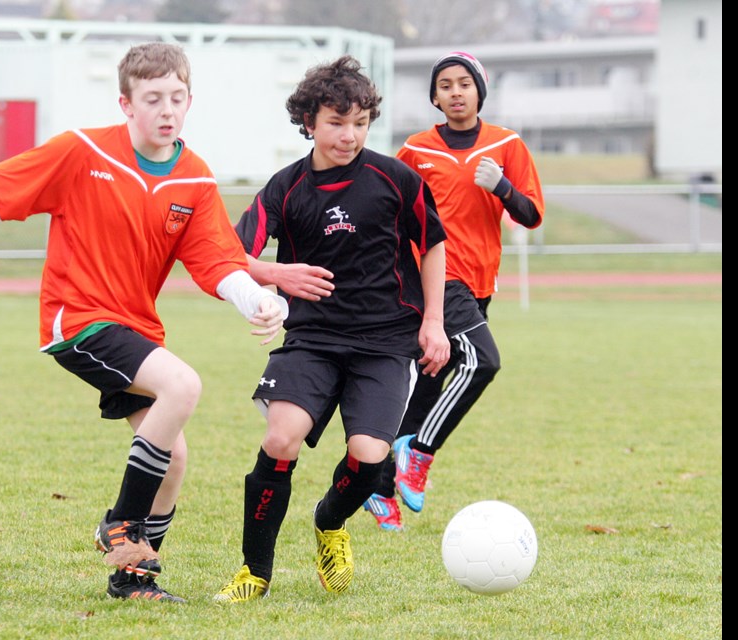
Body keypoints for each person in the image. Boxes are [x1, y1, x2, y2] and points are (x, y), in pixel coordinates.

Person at [0, 42, 288, 603]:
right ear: (126, 104)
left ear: (189, 100)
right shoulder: (81, 152)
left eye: (177, 98)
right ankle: (120, 523)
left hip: (134, 331)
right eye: (152, 98)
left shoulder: (195, 178)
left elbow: (216, 262)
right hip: (77, 319)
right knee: (184, 384)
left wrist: (257, 302)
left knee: (174, 459)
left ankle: (132, 580)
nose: (166, 109)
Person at [212, 55, 449, 603]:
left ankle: (329, 522)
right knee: (280, 437)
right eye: (337, 122)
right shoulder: (287, 187)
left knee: (370, 455)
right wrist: (272, 278)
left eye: (361, 122)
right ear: (310, 122)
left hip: (386, 344)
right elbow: (228, 252)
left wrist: (433, 321)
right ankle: (255, 573)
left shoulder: (395, 178)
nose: (349, 135)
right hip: (312, 340)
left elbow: (433, 243)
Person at [362, 50, 545, 531]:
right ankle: (418, 452)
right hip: (435, 278)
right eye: (445, 85)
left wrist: (502, 186)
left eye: (464, 83)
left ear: (479, 90)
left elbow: (530, 214)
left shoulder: (507, 145)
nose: (455, 92)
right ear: (434, 96)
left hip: (480, 281)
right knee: (482, 361)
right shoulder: (416, 151)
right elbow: (386, 210)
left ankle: (380, 489)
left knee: (428, 380)